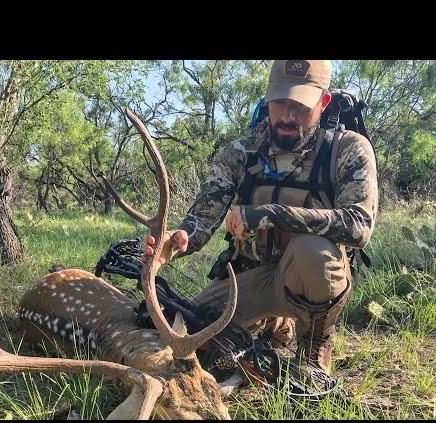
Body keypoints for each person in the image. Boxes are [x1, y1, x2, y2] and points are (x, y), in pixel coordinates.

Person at [143, 60, 378, 384]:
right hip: (249, 277)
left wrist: (266, 214)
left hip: (309, 277)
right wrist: (178, 238)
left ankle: (312, 345)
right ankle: (273, 326)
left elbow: (358, 225)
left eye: (300, 105)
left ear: (323, 103)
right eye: (280, 102)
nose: (287, 116)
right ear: (267, 98)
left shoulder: (348, 149)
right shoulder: (239, 153)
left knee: (313, 253)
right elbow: (202, 218)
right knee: (183, 337)